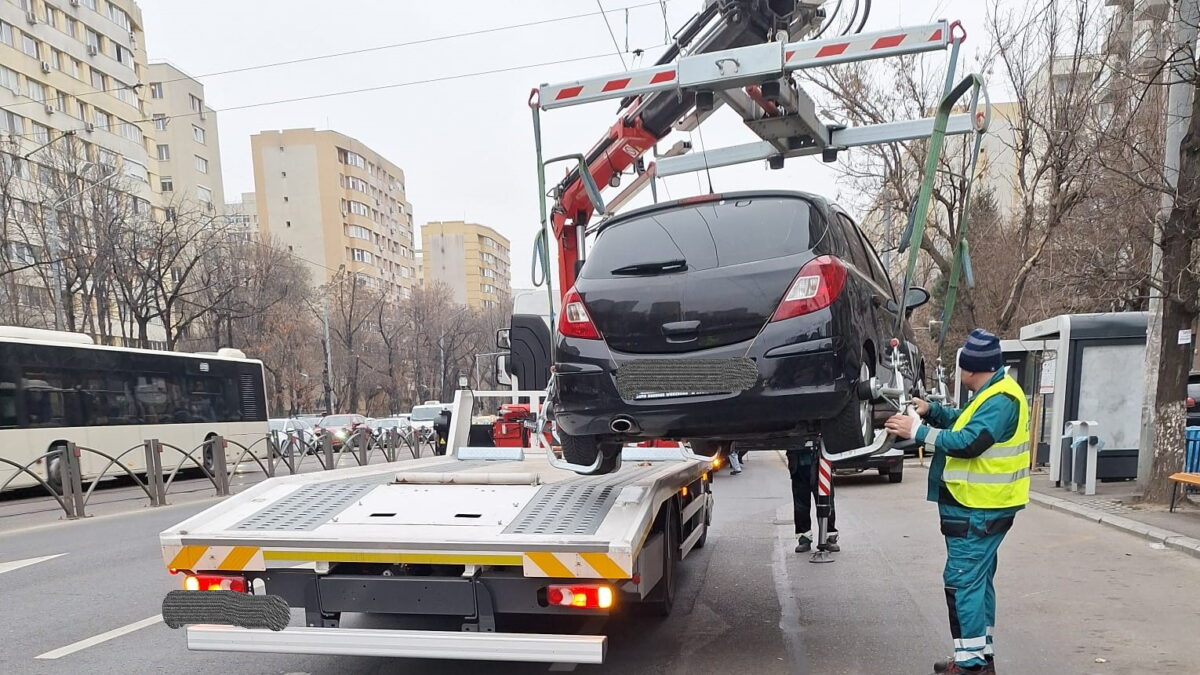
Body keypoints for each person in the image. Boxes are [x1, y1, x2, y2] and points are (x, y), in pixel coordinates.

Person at [884, 329, 1029, 675]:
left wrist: (916, 431)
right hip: (980, 507)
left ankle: (969, 664)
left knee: (962, 581)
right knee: (976, 582)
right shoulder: (993, 392)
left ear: (969, 368)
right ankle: (980, 655)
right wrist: (931, 411)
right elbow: (965, 422)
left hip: (978, 509)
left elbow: (969, 441)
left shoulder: (1000, 399)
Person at [787, 446, 839, 553]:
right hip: (799, 465)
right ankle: (804, 538)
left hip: (821, 464)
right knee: (800, 505)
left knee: (826, 503)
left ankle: (830, 536)